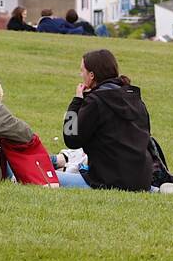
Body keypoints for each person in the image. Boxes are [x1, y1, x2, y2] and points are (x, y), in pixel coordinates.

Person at [61, 50, 159, 191]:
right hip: (142, 179)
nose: (80, 75)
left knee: (44, 177)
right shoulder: (135, 98)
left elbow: (71, 139)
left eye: (82, 71)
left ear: (91, 75)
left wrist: (76, 102)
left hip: (109, 180)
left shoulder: (96, 101)